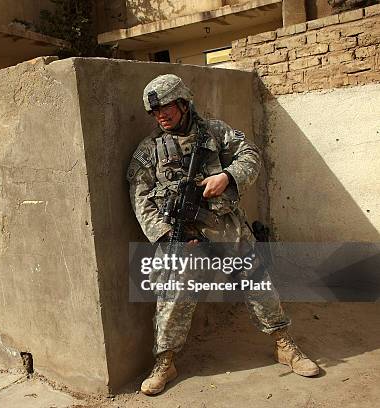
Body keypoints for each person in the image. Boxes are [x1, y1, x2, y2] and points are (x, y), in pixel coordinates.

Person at [127, 74, 319, 396]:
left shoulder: (215, 133)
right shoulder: (149, 152)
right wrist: (163, 235)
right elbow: (140, 195)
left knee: (256, 280)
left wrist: (227, 178)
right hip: (179, 234)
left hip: (223, 225)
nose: (161, 116)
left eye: (167, 109)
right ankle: (166, 361)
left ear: (184, 103)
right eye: (155, 113)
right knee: (172, 292)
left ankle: (283, 344)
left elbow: (251, 156)